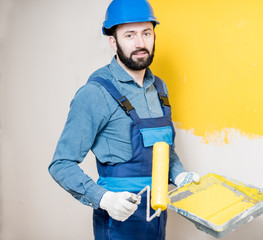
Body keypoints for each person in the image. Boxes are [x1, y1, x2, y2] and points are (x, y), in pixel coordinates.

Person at [48, 0, 199, 239]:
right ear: (113, 41)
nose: (140, 43)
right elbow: (61, 164)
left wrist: (179, 173)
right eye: (130, 35)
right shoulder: (96, 93)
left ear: (154, 36)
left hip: (158, 213)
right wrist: (104, 199)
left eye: (146, 33)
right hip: (118, 220)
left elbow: (162, 149)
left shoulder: (159, 88)